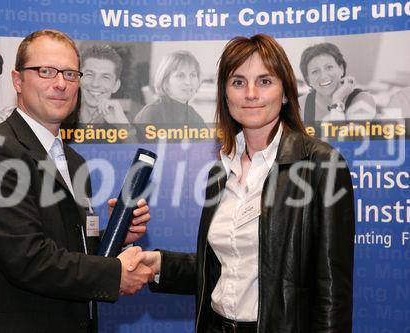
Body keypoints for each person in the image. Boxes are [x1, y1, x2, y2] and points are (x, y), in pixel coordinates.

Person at [133, 35, 355, 332]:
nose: (251, 93)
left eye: (264, 81)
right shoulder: (220, 172)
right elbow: (227, 266)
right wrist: (159, 263)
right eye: (238, 82)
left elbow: (332, 291)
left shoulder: (321, 165)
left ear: (286, 92)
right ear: (225, 95)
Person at [0, 29, 153, 333]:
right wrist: (114, 275)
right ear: (18, 80)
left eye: (71, 74)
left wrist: (113, 236)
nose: (60, 83)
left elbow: (66, 245)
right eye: (46, 71)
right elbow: (28, 259)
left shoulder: (75, 162)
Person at [299, 42, 376, 122]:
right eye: (315, 71)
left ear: (341, 69)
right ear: (308, 79)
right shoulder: (300, 105)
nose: (323, 76)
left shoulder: (362, 99)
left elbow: (342, 134)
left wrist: (336, 101)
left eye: (329, 67)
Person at [134, 50, 206, 126]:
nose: (188, 82)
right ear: (165, 82)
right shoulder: (152, 113)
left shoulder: (194, 116)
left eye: (193, 75)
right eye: (180, 76)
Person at [78, 44, 130, 125]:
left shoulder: (125, 123)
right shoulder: (60, 119)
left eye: (105, 77)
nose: (95, 84)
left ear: (116, 86)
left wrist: (123, 127)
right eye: (89, 75)